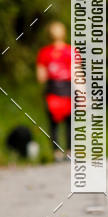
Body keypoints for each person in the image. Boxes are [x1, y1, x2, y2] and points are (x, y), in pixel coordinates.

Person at [36, 21, 73, 161]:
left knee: (54, 124)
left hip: (52, 91)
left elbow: (41, 77)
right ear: (64, 33)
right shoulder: (71, 51)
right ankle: (69, 151)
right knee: (70, 123)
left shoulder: (44, 53)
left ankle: (56, 152)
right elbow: (77, 75)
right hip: (68, 91)